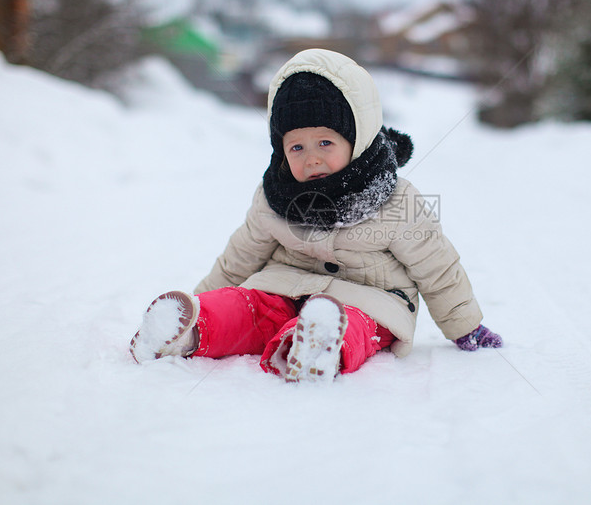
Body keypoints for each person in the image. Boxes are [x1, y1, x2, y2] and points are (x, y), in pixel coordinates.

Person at [129, 48, 502, 382]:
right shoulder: (274, 196)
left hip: (371, 302)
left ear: (357, 137)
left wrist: (464, 326)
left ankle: (318, 344)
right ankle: (189, 330)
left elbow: (437, 267)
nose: (312, 157)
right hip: (283, 289)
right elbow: (240, 257)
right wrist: (205, 297)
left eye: (325, 142)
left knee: (355, 323)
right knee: (249, 311)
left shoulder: (396, 201)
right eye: (296, 146)